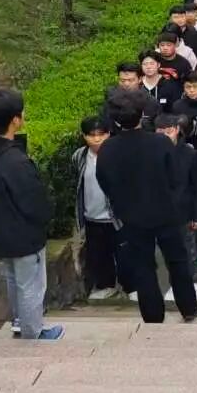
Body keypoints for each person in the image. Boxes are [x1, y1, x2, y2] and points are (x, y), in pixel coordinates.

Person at [96, 89, 197, 323]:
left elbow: (105, 183)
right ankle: (189, 308)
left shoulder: (108, 149)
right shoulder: (160, 142)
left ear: (115, 120)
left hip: (131, 217)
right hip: (166, 213)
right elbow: (175, 177)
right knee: (177, 261)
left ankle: (153, 317)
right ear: (142, 114)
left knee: (143, 267)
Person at [0, 89, 63, 340]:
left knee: (14, 279)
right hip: (23, 233)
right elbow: (33, 201)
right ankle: (33, 331)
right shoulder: (15, 161)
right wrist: (45, 219)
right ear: (15, 120)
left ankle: (19, 322)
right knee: (31, 284)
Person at [154, 114, 197, 302]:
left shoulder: (190, 154)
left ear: (176, 130)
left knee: (189, 251)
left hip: (184, 212)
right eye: (161, 133)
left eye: (169, 132)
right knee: (169, 253)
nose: (166, 136)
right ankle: (175, 284)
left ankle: (193, 283)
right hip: (161, 213)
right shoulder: (152, 154)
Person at [71, 117, 118, 300]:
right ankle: (106, 285)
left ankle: (131, 287)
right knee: (99, 254)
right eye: (92, 135)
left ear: (108, 134)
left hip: (116, 217)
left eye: (101, 134)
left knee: (124, 253)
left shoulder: (117, 154)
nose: (97, 139)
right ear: (84, 136)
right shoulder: (80, 156)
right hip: (91, 215)